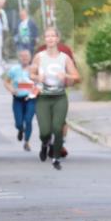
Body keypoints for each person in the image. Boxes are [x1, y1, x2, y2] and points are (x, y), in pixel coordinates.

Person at [30, 27, 79, 170]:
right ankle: (45, 143)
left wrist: (67, 77)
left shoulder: (65, 57)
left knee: (58, 128)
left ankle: (56, 157)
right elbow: (30, 74)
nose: (50, 39)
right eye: (47, 36)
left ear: (58, 39)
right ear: (45, 39)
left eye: (53, 36)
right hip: (43, 97)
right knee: (44, 132)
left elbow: (77, 77)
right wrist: (37, 77)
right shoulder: (39, 56)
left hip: (59, 97)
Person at [3, 48, 37, 151]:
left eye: (26, 56)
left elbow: (40, 82)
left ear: (30, 58)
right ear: (19, 58)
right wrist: (12, 90)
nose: (24, 58)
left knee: (28, 120)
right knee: (18, 122)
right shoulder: (14, 69)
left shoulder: (34, 69)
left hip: (30, 99)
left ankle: (26, 142)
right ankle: (20, 129)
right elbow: (6, 82)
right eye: (22, 56)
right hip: (18, 99)